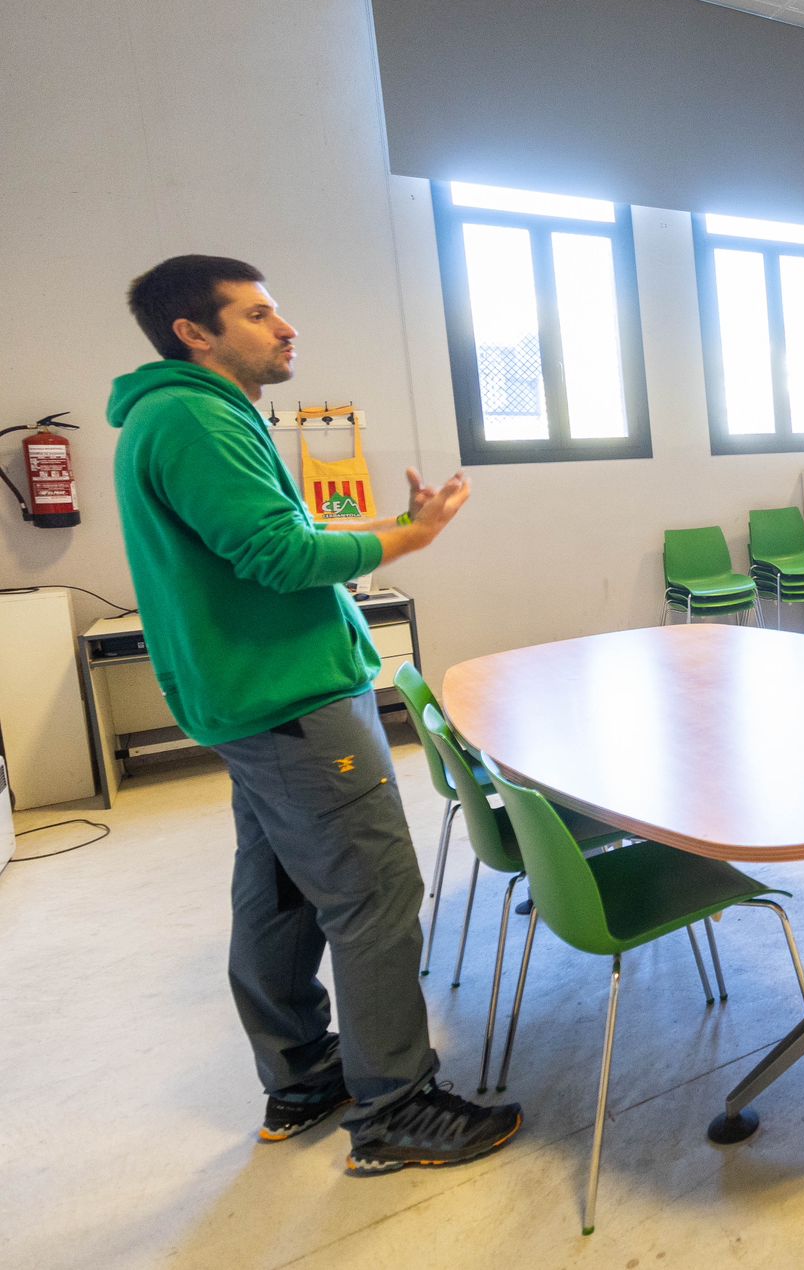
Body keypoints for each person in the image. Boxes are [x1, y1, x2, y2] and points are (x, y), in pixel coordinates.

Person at [110, 255, 520, 1174]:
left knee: (282, 891)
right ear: (195, 333)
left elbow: (265, 543)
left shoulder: (179, 413)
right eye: (257, 314)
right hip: (290, 700)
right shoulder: (192, 416)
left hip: (253, 700)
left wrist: (378, 531)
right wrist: (408, 536)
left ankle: (302, 1079)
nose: (285, 327)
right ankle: (396, 1109)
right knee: (373, 893)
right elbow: (276, 554)